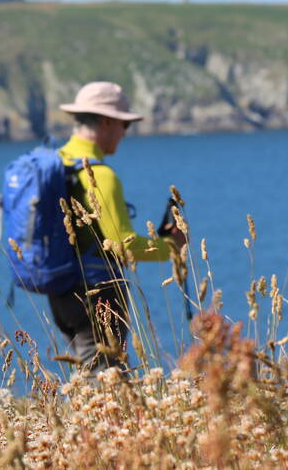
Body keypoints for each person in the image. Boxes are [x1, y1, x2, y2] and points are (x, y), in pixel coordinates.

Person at [52, 81, 184, 372]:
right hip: (98, 290)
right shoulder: (99, 175)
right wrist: (170, 247)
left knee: (87, 372)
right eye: (124, 125)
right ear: (106, 121)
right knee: (107, 379)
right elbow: (122, 245)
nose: (125, 133)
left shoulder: (57, 161)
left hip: (60, 290)